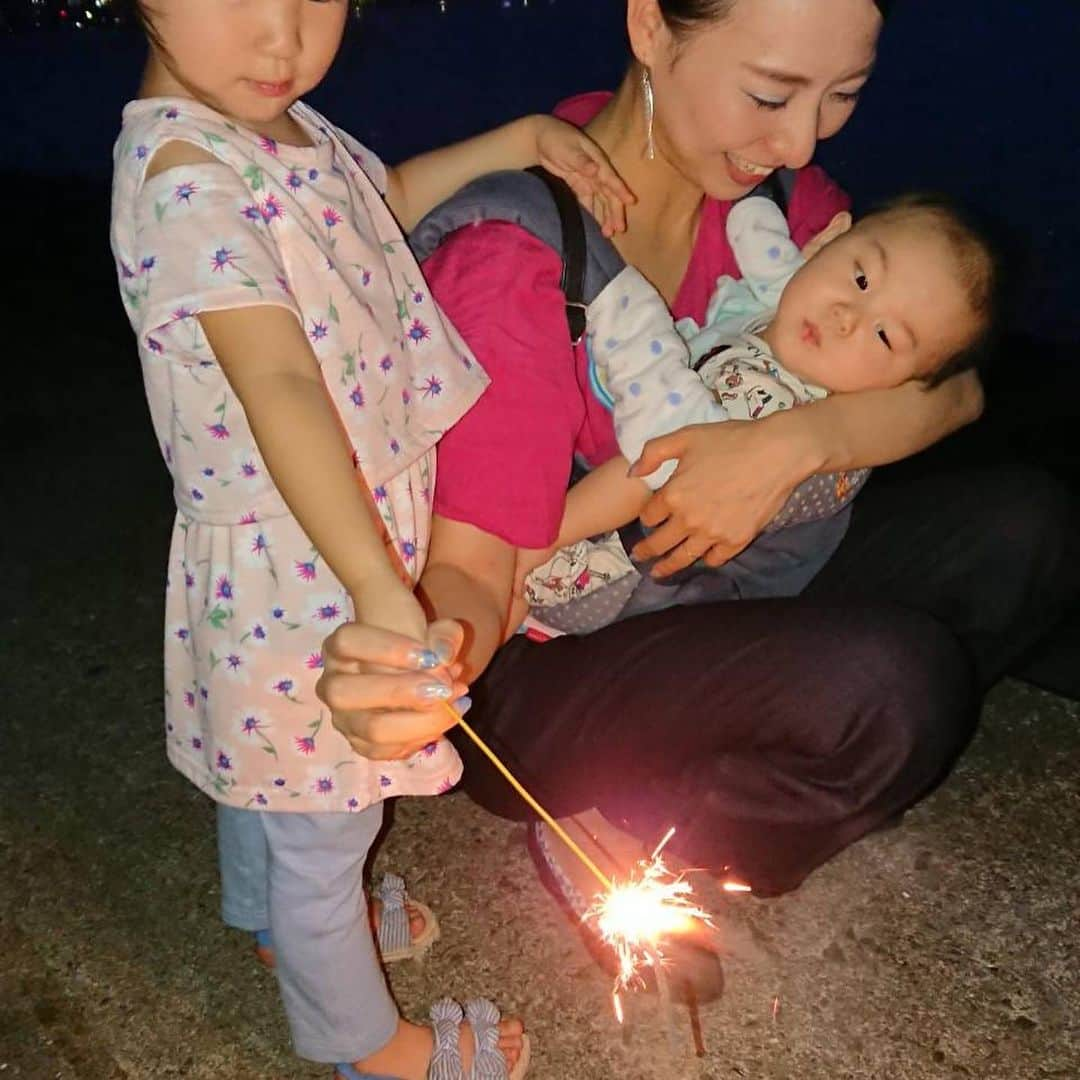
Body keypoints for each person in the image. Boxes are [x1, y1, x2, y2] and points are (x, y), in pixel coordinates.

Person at [317, 0, 1077, 963]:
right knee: (893, 686)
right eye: (772, 92)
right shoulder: (517, 253)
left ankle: (755, 756)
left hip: (718, 584)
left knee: (1029, 524)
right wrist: (413, 669)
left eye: (841, 95)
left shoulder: (765, 196)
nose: (799, 136)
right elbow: (484, 568)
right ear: (649, 26)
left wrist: (786, 446)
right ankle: (637, 825)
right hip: (546, 649)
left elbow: (954, 387)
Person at [109, 1, 634, 1076]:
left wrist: (518, 140)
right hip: (299, 554)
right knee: (327, 825)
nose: (280, 38)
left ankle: (267, 916)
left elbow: (376, 208)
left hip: (332, 532)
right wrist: (375, 584)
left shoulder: (283, 126)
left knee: (279, 780)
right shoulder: (184, 177)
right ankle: (359, 1043)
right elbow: (278, 379)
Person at [522, 190, 1002, 614]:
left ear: (902, 383)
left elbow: (648, 468)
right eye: (860, 281)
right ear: (830, 238)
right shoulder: (770, 309)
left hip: (611, 582)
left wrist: (532, 544)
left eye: (884, 336)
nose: (846, 318)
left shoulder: (762, 394)